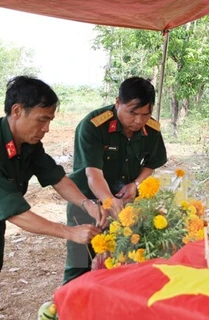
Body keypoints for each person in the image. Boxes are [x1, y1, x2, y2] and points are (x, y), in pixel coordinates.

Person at [0, 76, 103, 320]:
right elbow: (16, 213)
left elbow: (56, 177)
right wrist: (70, 232)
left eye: (50, 120)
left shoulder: (27, 143)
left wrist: (88, 204)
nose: (46, 128)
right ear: (17, 111)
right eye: (42, 120)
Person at [63, 76, 167, 284]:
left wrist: (135, 184)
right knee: (80, 264)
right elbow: (93, 174)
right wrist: (109, 202)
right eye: (132, 113)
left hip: (127, 204)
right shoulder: (93, 126)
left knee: (126, 262)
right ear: (118, 103)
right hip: (88, 202)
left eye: (145, 114)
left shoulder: (152, 129)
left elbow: (151, 163)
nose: (138, 121)